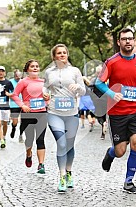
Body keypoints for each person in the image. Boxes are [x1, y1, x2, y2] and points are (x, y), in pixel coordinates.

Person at [95, 27, 136, 194]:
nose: (127, 41)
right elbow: (98, 83)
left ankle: (129, 181)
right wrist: (111, 93)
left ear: (134, 41)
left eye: (130, 38)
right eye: (124, 39)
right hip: (117, 113)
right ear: (119, 42)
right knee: (121, 151)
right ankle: (111, 153)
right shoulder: (112, 62)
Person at [43, 44, 86, 192]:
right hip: (54, 112)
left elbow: (83, 90)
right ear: (54, 56)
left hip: (72, 113)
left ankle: (69, 172)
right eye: (59, 53)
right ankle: (61, 176)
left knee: (69, 144)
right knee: (61, 143)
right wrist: (45, 93)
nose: (62, 55)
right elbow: (45, 86)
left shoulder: (75, 71)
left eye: (64, 53)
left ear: (67, 55)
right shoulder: (49, 72)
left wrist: (77, 88)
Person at [11, 59, 47, 174]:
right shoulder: (23, 82)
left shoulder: (43, 82)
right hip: (28, 113)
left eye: (37, 66)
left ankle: (41, 165)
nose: (35, 68)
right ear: (27, 69)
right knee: (30, 139)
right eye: (32, 66)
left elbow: (48, 97)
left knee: (40, 139)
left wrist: (47, 99)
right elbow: (14, 95)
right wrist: (22, 105)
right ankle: (28, 154)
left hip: (42, 113)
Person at [89, 65, 107, 139]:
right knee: (104, 114)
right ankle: (104, 124)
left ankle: (103, 123)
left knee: (98, 115)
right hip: (105, 99)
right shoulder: (105, 79)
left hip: (97, 100)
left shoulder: (94, 80)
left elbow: (90, 89)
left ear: (96, 72)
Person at [9, 69, 24, 142]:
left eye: (19, 76)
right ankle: (13, 128)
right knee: (15, 121)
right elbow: (7, 93)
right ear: (14, 75)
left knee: (23, 121)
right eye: (16, 76)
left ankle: (21, 135)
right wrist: (12, 95)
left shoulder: (23, 82)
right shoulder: (10, 82)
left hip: (23, 104)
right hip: (14, 104)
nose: (18, 77)